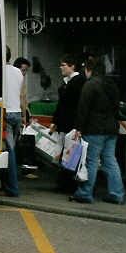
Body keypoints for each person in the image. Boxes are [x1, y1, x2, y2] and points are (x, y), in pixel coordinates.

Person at [70, 56, 125, 204]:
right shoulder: (112, 85)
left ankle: (85, 193)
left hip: (94, 129)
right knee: (110, 161)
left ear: (89, 70)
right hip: (111, 129)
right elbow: (116, 107)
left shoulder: (90, 85)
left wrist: (79, 128)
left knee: (91, 162)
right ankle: (117, 194)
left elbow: (83, 109)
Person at [51, 54, 85, 193]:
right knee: (65, 153)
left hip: (71, 124)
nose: (61, 68)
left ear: (72, 66)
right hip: (65, 123)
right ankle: (64, 183)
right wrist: (55, 121)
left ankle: (68, 184)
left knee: (70, 154)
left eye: (63, 65)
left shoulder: (77, 81)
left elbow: (69, 104)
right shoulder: (68, 81)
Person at [0, 46, 24, 197]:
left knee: (9, 152)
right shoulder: (18, 72)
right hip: (16, 113)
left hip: (6, 114)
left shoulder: (1, 71)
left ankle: (12, 188)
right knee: (9, 150)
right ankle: (5, 185)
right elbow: (20, 93)